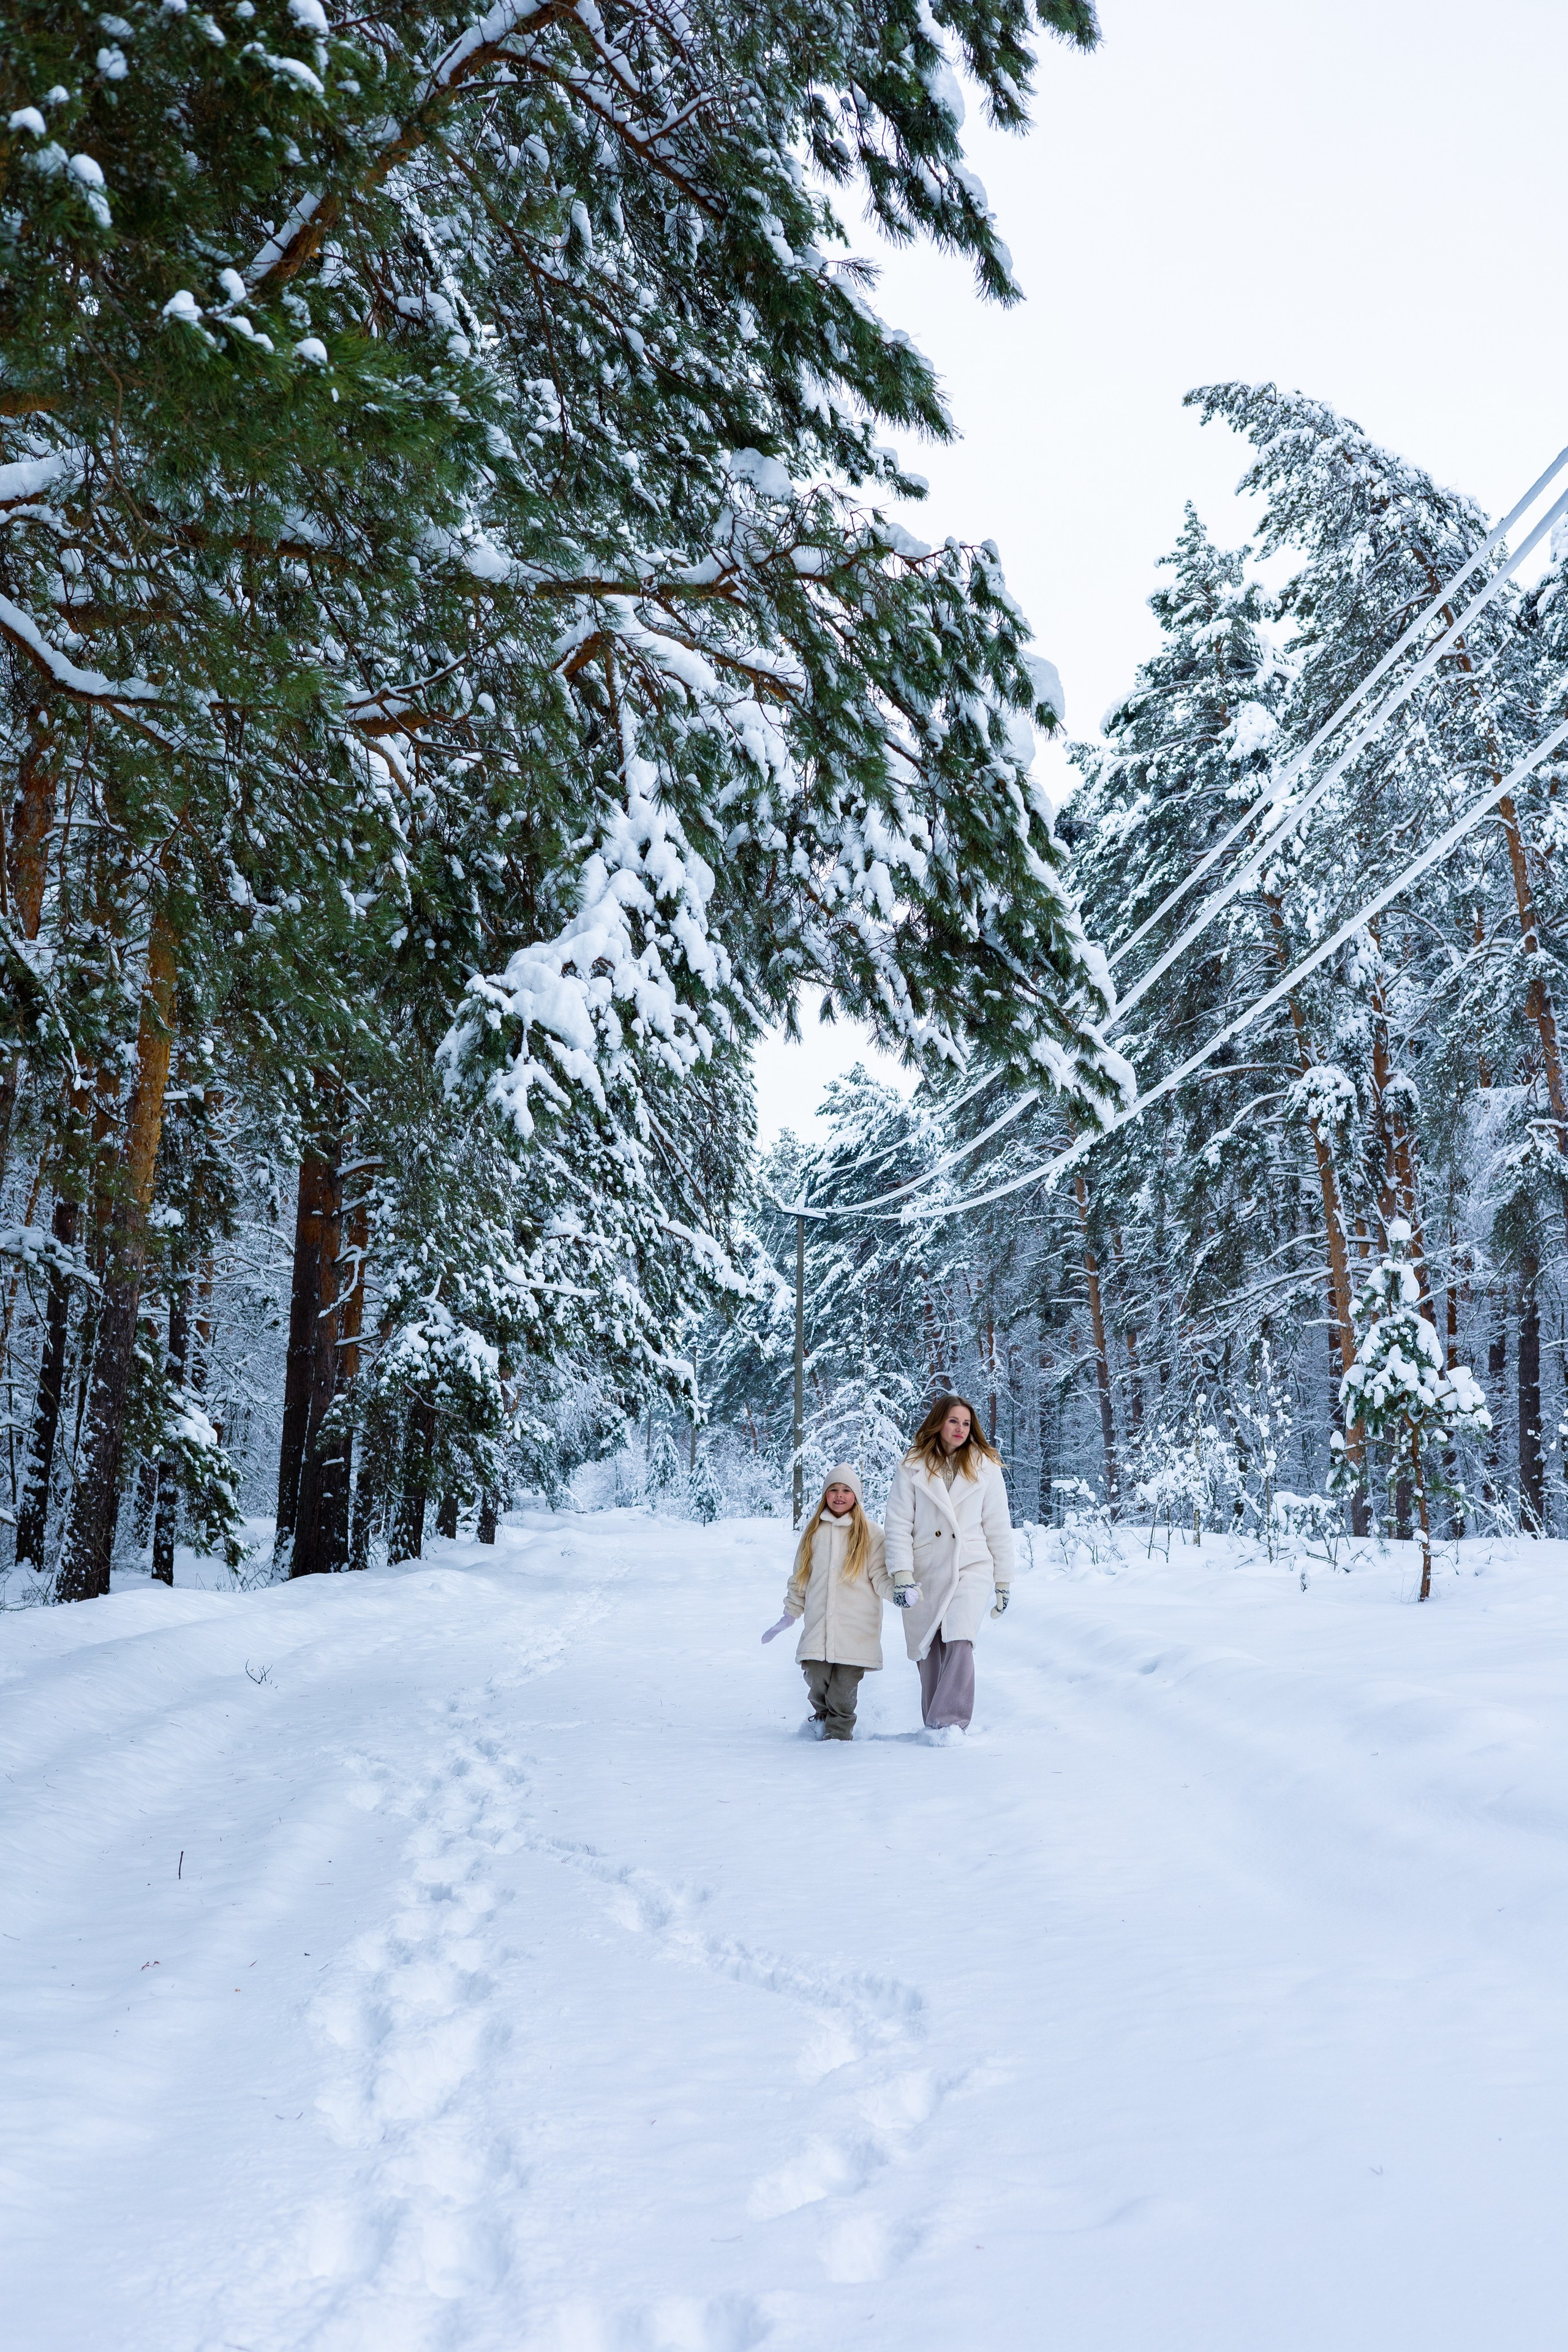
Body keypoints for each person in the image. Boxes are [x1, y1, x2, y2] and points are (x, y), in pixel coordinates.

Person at [884, 1395, 1012, 1735]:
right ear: (939, 1422)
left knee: (960, 1636)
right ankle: (933, 1723)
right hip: (926, 1566)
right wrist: (901, 1575)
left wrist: (1003, 1581)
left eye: (966, 1423)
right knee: (930, 1647)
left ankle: (950, 1722)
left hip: (972, 1563)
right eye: (954, 1421)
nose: (960, 1429)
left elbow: (998, 1525)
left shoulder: (986, 1466)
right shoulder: (912, 1465)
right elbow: (898, 1523)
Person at [763, 1464, 892, 1741]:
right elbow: (801, 1576)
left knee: (843, 1690)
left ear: (856, 1496)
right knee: (816, 1675)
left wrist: (899, 1593)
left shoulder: (871, 1534)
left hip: (856, 1630)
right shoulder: (814, 1532)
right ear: (825, 1495)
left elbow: (881, 1577)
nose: (839, 1495)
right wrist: (790, 1612)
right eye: (833, 1490)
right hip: (819, 1625)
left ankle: (838, 1737)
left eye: (847, 1490)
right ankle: (822, 1718)